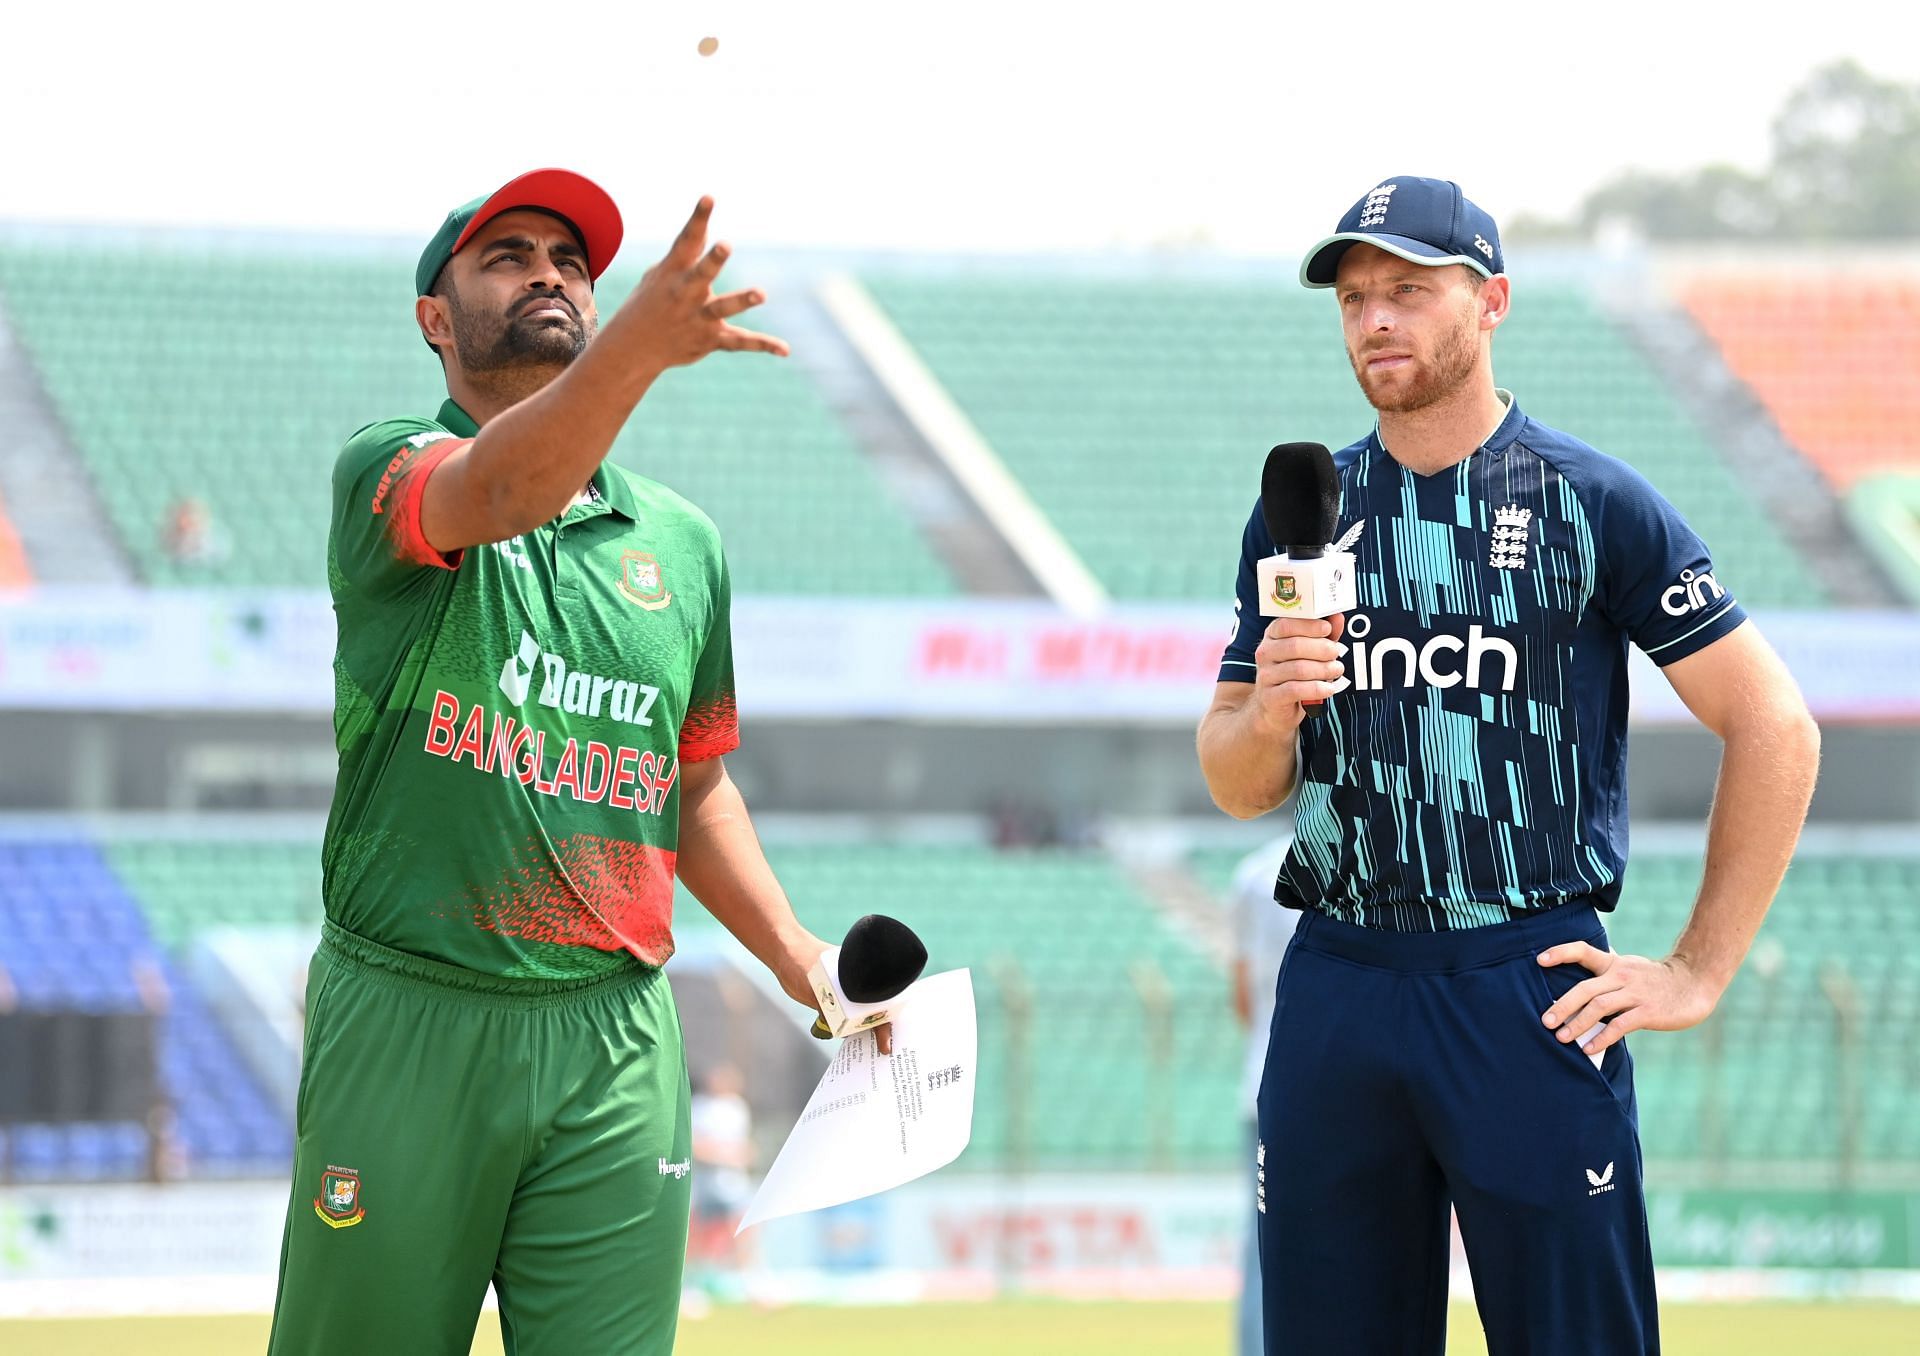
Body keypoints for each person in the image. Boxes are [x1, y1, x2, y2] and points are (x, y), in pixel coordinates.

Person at [1196, 176, 1820, 1355]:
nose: (1375, 318)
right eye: (1356, 296)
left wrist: (1696, 970)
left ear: (1490, 304)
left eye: (1409, 291)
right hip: (1338, 976)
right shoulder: (1303, 515)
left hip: (1522, 979)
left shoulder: (1592, 501)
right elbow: (1236, 780)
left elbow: (1777, 726)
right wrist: (1270, 711)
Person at [268, 169, 887, 1355]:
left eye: (574, 260)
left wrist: (799, 957)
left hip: (614, 1039)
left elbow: (690, 787)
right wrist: (644, 355)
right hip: (412, 1013)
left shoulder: (681, 545)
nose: (550, 272)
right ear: (435, 318)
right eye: (508, 255)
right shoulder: (388, 467)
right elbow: (502, 484)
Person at [1226, 835, 1296, 1356]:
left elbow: (1244, 996)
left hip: (1268, 1081)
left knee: (1263, 1249)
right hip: (1355, 1081)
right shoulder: (1372, 854)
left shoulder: (1255, 871)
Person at [686, 1063, 755, 1286]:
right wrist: (723, 1155)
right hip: (706, 1180)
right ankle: (691, 1284)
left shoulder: (738, 1108)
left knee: (744, 1227)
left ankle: (750, 1279)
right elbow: (695, 1145)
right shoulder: (699, 1107)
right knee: (696, 1232)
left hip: (733, 1181)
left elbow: (744, 1146)